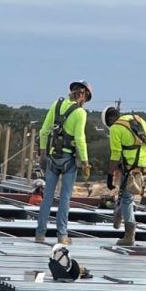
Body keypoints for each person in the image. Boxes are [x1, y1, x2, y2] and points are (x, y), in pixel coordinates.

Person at [35, 81, 91, 244]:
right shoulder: (80, 113)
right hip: (68, 160)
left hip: (53, 157)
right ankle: (62, 235)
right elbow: (80, 139)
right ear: (83, 96)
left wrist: (42, 154)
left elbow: (44, 131)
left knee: (47, 198)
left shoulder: (56, 104)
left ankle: (40, 234)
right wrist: (85, 162)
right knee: (65, 198)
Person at [104, 105, 146, 247]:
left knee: (127, 199)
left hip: (135, 168)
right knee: (125, 194)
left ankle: (129, 235)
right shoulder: (137, 118)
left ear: (109, 119)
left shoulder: (116, 128)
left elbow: (115, 155)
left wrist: (109, 175)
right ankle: (118, 213)